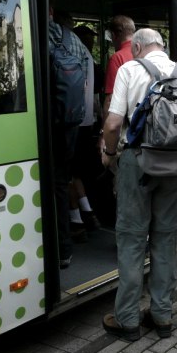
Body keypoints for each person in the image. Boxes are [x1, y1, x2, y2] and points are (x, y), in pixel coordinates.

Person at [101, 28, 177, 341]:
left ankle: (127, 320)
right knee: (165, 239)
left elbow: (112, 124)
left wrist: (110, 155)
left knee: (133, 240)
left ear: (137, 47)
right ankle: (162, 316)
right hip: (175, 165)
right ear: (162, 47)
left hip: (137, 162)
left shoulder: (129, 69)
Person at [49, 6, 88, 269]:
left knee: (53, 184)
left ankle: (57, 247)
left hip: (47, 123)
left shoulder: (33, 33)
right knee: (62, 181)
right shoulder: (72, 39)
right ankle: (65, 250)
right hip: (71, 120)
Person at [68, 25, 102, 240]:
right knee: (75, 172)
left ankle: (78, 220)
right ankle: (87, 212)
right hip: (87, 122)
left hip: (73, 123)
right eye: (89, 39)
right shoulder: (91, 61)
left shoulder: (71, 54)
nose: (91, 43)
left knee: (68, 173)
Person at [97, 15, 135, 155]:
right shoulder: (145, 54)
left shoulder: (117, 57)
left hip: (124, 129)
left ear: (114, 35)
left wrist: (103, 134)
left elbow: (109, 101)